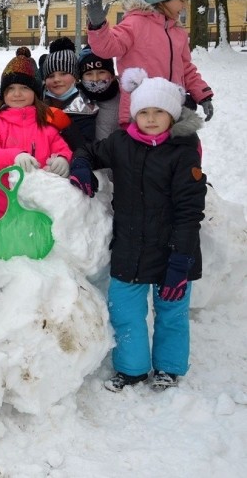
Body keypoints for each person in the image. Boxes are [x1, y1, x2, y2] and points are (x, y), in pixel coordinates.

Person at [68, 67, 206, 392]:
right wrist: (81, 167)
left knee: (171, 312)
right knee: (125, 311)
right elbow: (88, 151)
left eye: (159, 111)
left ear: (172, 115)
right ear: (134, 114)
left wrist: (180, 264)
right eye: (144, 111)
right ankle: (132, 369)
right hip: (130, 247)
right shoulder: (120, 143)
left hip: (174, 250)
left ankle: (169, 368)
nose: (151, 118)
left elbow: (190, 213)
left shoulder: (183, 153)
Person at [87, 0, 214, 127]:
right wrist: (98, 26)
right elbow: (108, 47)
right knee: (141, 153)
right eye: (182, 0)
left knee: (179, 150)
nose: (185, 7)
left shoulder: (177, 31)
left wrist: (202, 95)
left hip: (171, 108)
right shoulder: (135, 23)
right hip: (140, 112)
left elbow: (185, 68)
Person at [0, 49, 73, 231]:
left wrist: (63, 159)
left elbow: (62, 148)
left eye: (24, 88)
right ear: (3, 93)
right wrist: (13, 157)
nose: (17, 94)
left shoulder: (46, 123)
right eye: (10, 89)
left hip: (38, 212)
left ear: (36, 92)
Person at [41, 37, 99, 143]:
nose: (56, 79)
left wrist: (66, 126)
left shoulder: (87, 110)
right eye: (50, 75)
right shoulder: (38, 106)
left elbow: (86, 148)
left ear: (76, 77)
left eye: (63, 74)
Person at [77, 46, 121, 141]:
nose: (95, 79)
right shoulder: (76, 99)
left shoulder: (124, 98)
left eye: (101, 72)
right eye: (89, 74)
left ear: (112, 75)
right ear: (81, 78)